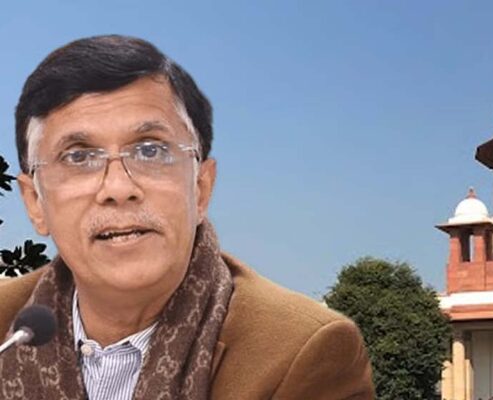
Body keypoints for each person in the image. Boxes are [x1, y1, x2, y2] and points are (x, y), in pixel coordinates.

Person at [0, 35, 374, 399]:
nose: (118, 187)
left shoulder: (304, 351)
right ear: (34, 202)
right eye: (79, 157)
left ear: (201, 187)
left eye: (149, 151)